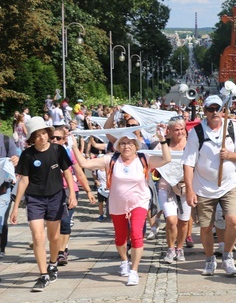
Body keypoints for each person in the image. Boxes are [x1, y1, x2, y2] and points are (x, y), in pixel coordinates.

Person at [72, 129, 170, 285]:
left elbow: (166, 159)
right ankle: (124, 261)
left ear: (136, 146)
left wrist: (162, 140)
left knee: (137, 233)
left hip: (139, 202)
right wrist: (74, 146)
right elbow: (84, 164)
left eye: (130, 143)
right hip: (117, 204)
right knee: (120, 237)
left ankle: (134, 271)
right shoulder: (110, 160)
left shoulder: (144, 159)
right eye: (123, 143)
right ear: (118, 146)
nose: (126, 146)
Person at [182, 95, 236, 277]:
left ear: (223, 110)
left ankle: (227, 256)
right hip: (204, 186)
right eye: (210, 110)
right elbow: (188, 163)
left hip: (229, 184)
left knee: (233, 220)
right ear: (204, 112)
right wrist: (189, 189)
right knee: (205, 226)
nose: (215, 113)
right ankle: (210, 259)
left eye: (217, 109)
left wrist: (229, 155)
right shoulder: (197, 132)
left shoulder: (232, 127)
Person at [10, 117, 77, 292]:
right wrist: (16, 206)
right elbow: (24, 181)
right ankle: (43, 275)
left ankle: (53, 264)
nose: (42, 137)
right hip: (35, 199)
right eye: (37, 135)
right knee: (38, 236)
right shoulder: (28, 154)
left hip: (55, 197)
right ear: (32, 138)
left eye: (44, 133)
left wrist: (72, 194)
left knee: (54, 238)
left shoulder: (58, 150)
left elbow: (67, 173)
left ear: (48, 133)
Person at [51, 126, 96, 267]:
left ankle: (61, 252)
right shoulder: (44, 153)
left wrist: (88, 191)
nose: (54, 140)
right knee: (54, 223)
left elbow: (79, 173)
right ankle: (57, 248)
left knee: (65, 221)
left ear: (64, 139)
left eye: (58, 138)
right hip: (50, 192)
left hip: (68, 190)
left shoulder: (69, 153)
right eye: (52, 137)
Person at [156, 117, 191, 264]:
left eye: (182, 129)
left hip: (185, 188)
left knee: (183, 222)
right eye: (176, 129)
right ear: (170, 130)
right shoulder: (162, 145)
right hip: (166, 188)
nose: (180, 132)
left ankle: (180, 248)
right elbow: (152, 159)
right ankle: (170, 249)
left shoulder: (190, 145)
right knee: (171, 220)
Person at [0, 120, 19, 258]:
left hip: (3, 188)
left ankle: (1, 246)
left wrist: (15, 160)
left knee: (1, 218)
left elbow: (16, 159)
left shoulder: (7, 141)